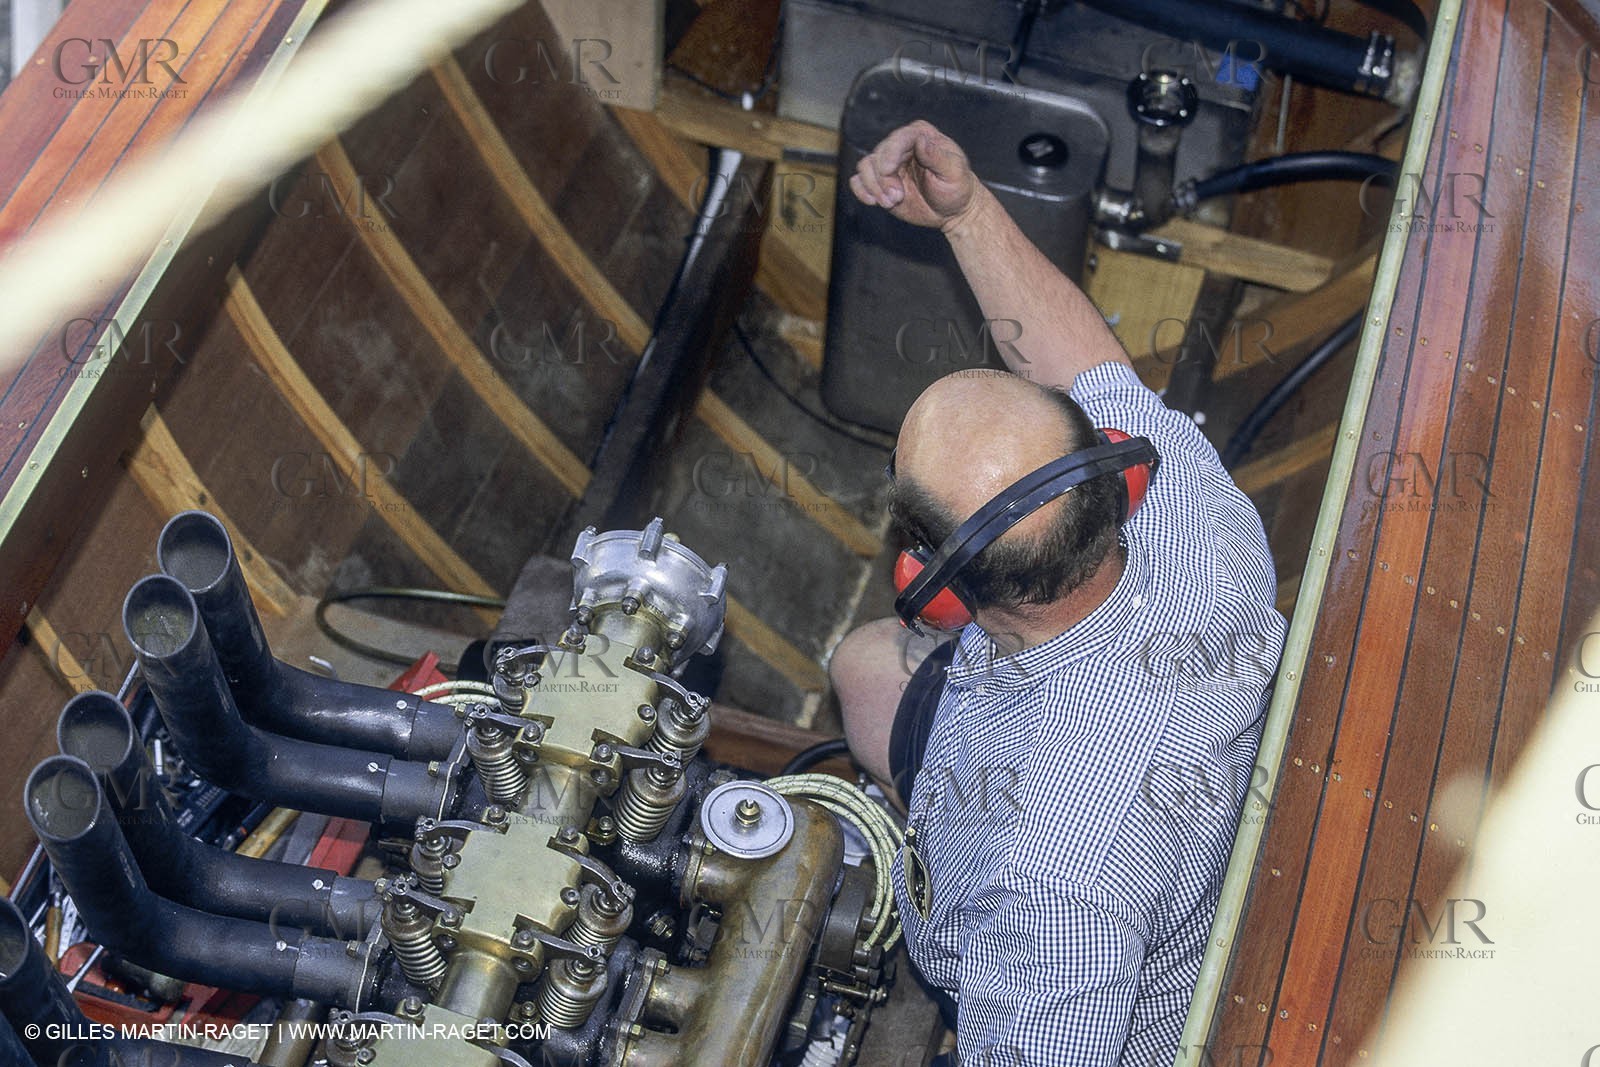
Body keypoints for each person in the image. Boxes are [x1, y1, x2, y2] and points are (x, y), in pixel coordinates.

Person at [829, 120, 1288, 1066]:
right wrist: (964, 214)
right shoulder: (1192, 511)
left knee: (860, 662)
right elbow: (1081, 360)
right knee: (869, 666)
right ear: (1112, 472)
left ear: (934, 589)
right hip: (1162, 783)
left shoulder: (1046, 894)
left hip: (1071, 862)